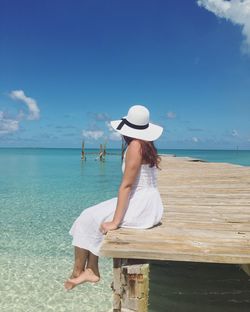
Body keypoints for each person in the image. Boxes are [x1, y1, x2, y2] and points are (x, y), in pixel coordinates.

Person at [64, 105, 164, 290]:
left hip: (141, 205)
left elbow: (126, 186)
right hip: (150, 203)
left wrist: (116, 222)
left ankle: (81, 271)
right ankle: (91, 268)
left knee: (88, 217)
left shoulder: (135, 146)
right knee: (92, 214)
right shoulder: (146, 145)